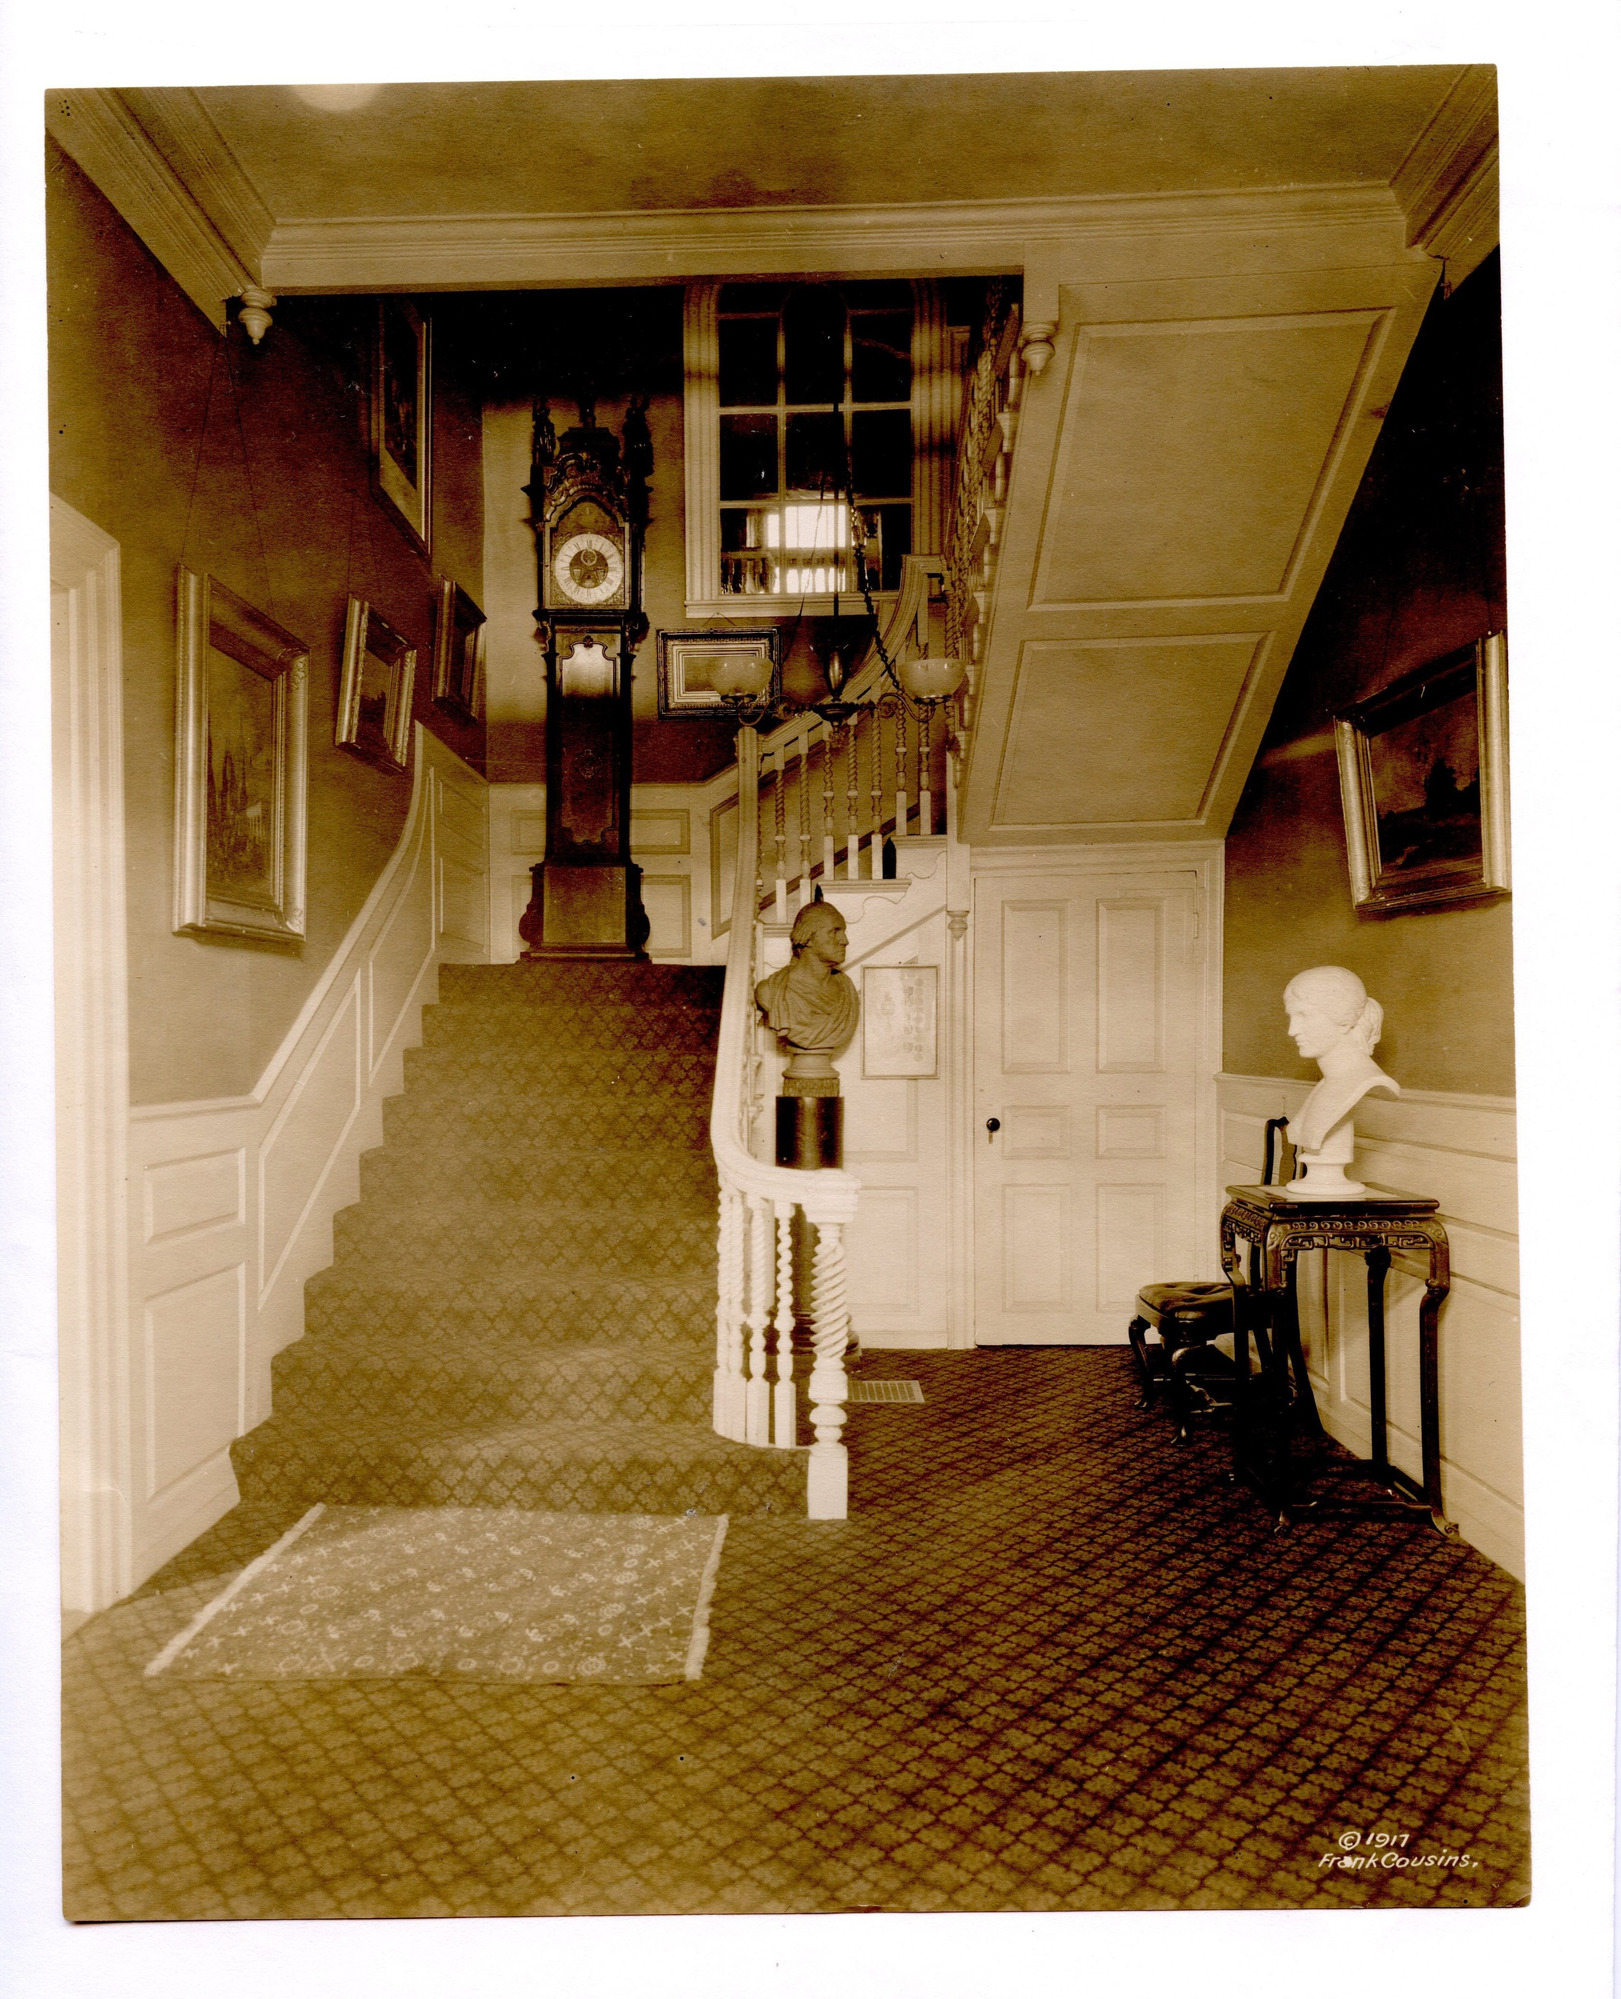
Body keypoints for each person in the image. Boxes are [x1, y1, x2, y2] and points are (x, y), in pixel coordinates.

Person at [1282, 966, 1399, 1199]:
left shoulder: (1363, 1081)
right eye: (1291, 1017)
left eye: (1304, 1015)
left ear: (1344, 1020)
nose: (1292, 1030)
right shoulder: (1328, 1084)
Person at [755, 902, 860, 1092]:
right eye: (834, 931)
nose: (844, 940)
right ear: (808, 937)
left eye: (843, 932)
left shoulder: (847, 990)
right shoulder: (770, 991)